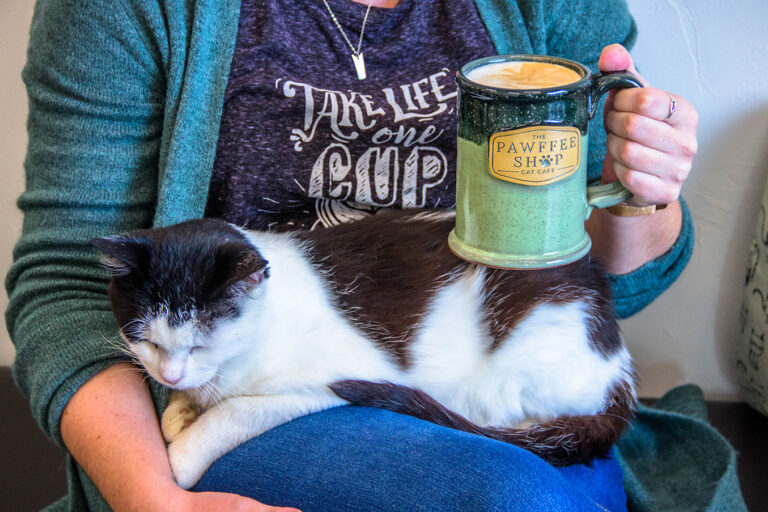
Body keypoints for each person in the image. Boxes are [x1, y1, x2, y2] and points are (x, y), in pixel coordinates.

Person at [6, 0, 696, 510]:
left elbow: (611, 280)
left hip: (487, 379)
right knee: (519, 499)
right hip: (248, 395)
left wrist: (643, 192)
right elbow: (66, 284)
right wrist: (149, 495)